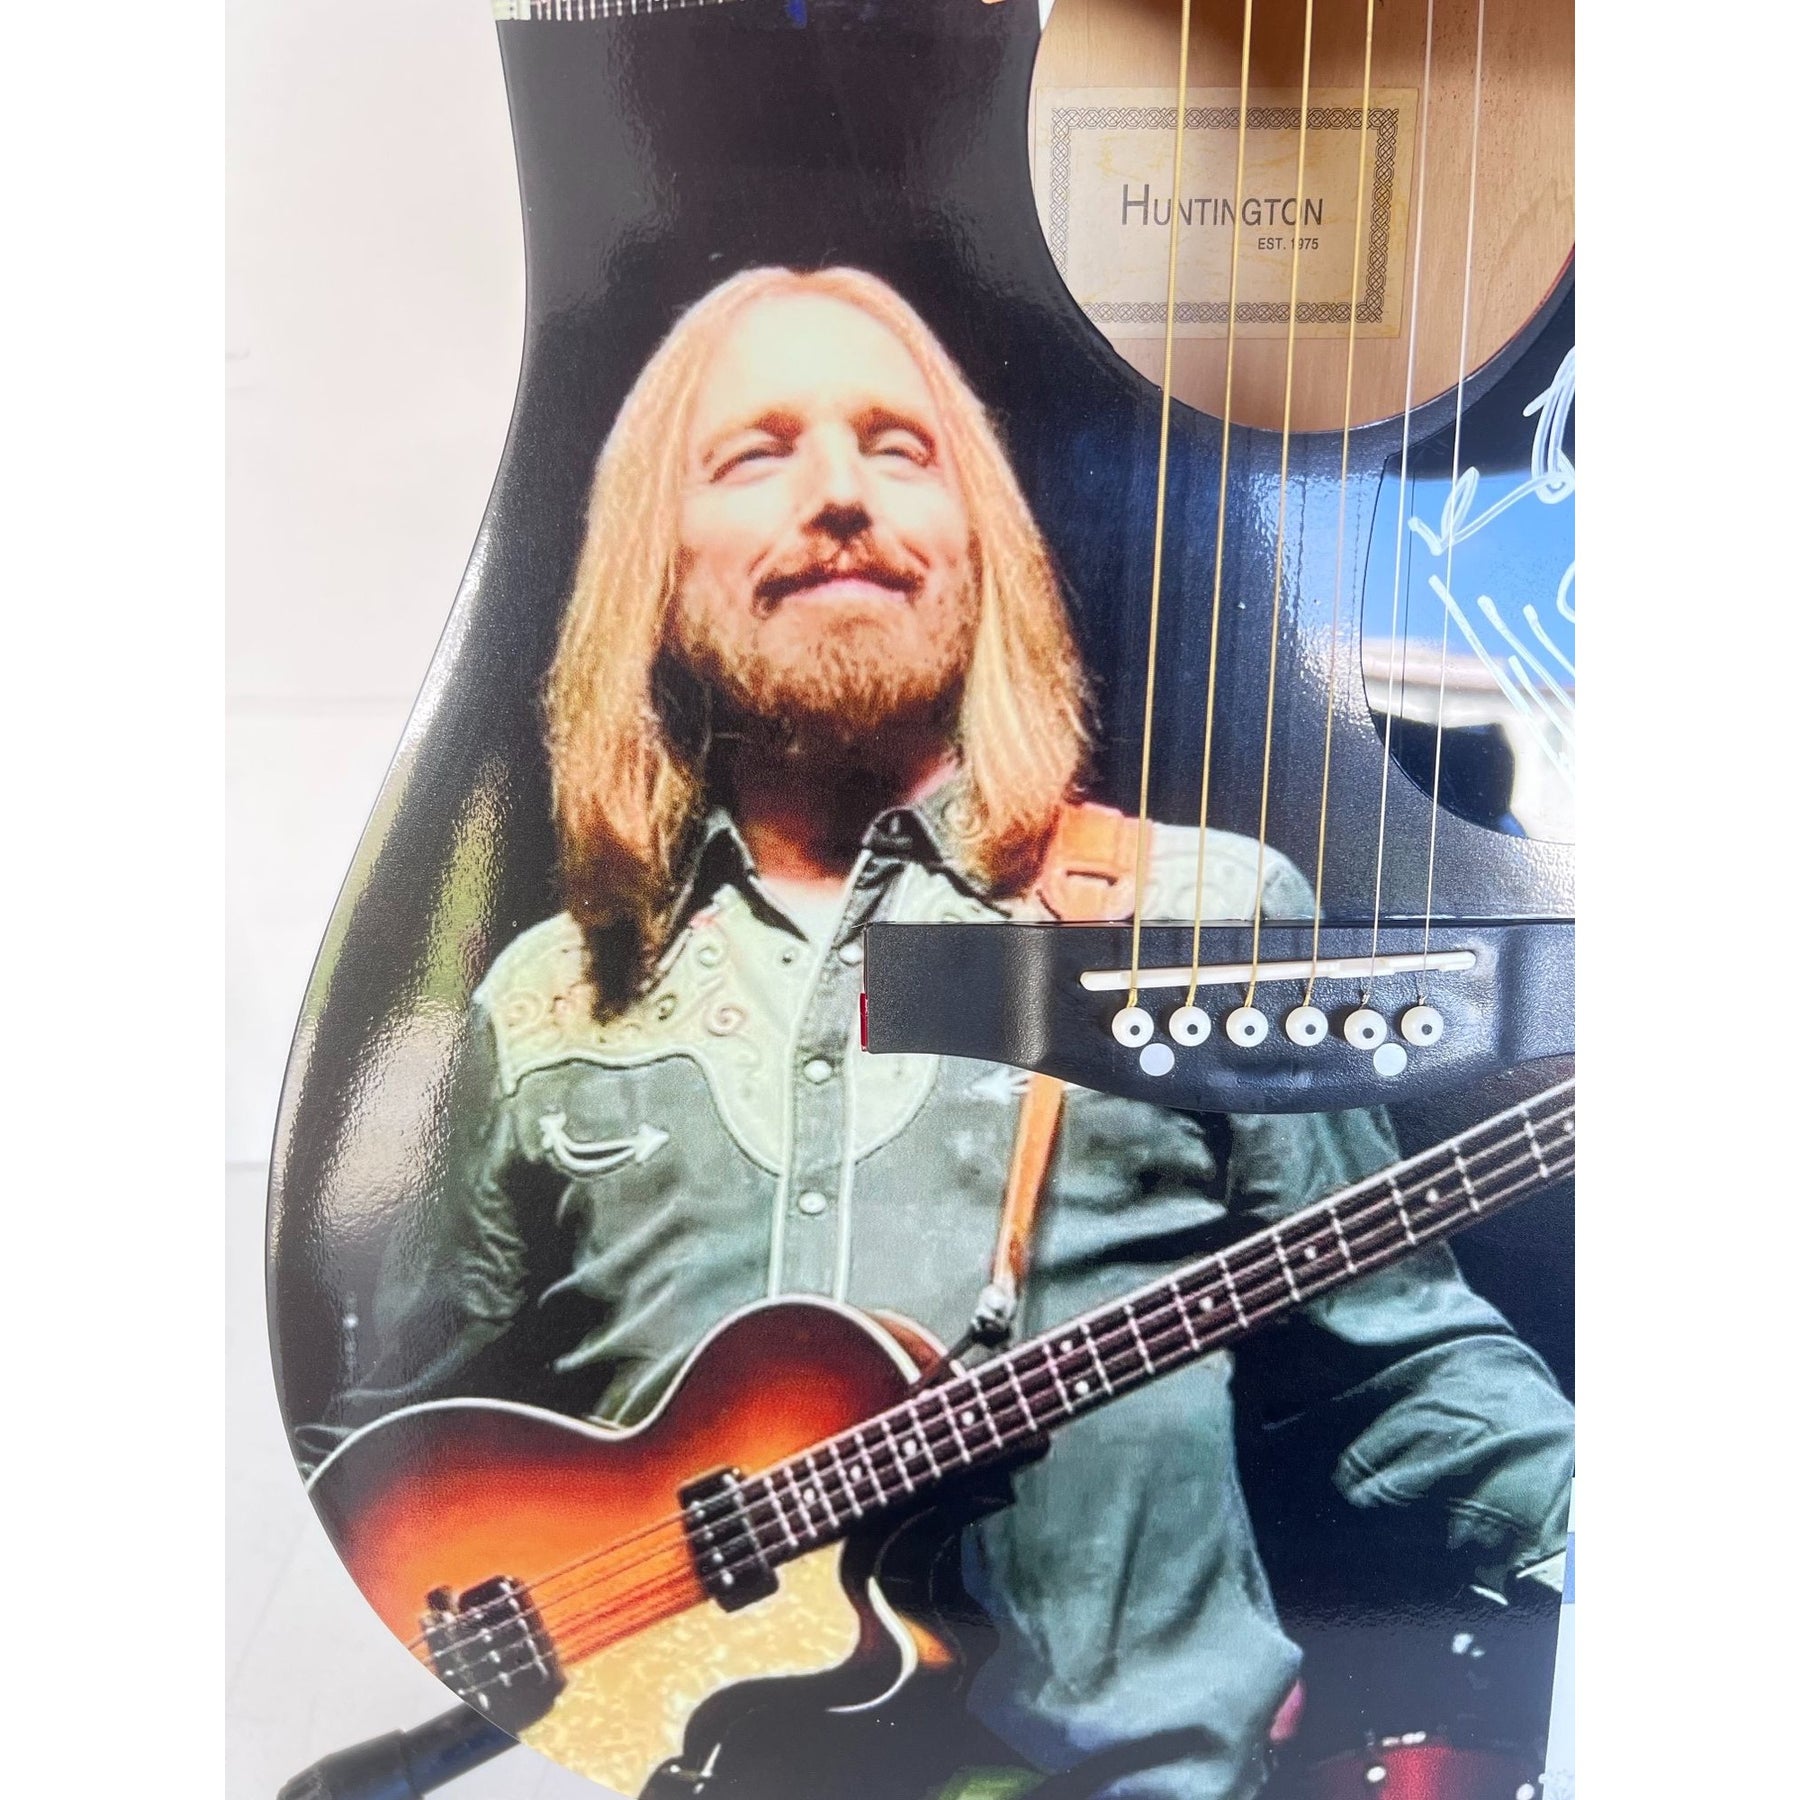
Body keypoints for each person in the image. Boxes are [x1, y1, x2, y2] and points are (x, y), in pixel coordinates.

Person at [314, 266, 1572, 1800]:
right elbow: (409, 1446)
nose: (841, 494)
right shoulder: (545, 995)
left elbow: (1397, 1370)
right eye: (756, 452)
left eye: (900, 447)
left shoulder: (1195, 915)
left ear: (982, 545)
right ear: (655, 557)